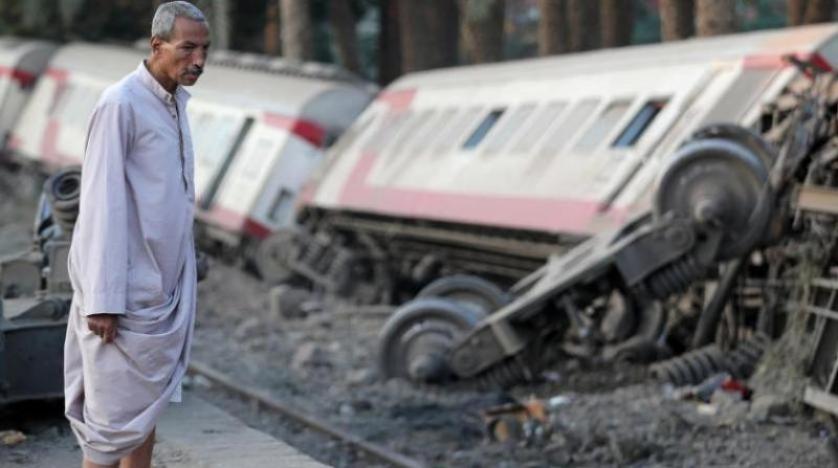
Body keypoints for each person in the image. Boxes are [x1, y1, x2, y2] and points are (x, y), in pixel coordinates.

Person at [63, 2, 210, 467]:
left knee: (144, 419)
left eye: (205, 49)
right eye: (188, 49)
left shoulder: (173, 104)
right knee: (109, 430)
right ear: (157, 45)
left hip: (161, 291)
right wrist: (105, 300)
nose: (199, 60)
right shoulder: (121, 103)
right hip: (123, 297)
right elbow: (101, 206)